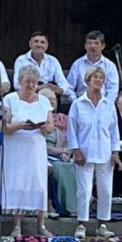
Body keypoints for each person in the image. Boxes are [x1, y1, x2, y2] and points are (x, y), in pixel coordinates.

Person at [0, 64, 54, 236]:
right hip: (16, 147)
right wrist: (21, 125)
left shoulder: (43, 101)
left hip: (36, 147)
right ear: (20, 82)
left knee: (39, 183)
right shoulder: (10, 99)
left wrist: (42, 127)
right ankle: (17, 225)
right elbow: (3, 126)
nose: (31, 86)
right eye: (27, 82)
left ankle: (41, 225)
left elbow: (50, 126)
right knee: (18, 182)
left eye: (34, 82)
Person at [67, 66, 122, 239]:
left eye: (101, 77)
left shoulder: (108, 105)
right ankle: (81, 224)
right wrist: (76, 151)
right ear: (88, 80)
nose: (98, 80)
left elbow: (114, 131)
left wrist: (115, 152)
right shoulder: (78, 104)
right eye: (95, 77)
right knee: (84, 190)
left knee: (105, 189)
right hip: (84, 152)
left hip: (105, 153)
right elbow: (72, 129)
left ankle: (102, 224)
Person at [39, 87, 77, 217]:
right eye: (49, 99)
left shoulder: (63, 118)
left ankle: (74, 208)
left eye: (54, 99)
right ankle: (63, 207)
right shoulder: (38, 118)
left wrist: (67, 152)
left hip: (62, 155)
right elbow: (41, 145)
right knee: (60, 168)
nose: (52, 102)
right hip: (43, 155)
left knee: (73, 166)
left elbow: (70, 138)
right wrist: (61, 151)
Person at [66, 31, 119, 101]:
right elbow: (69, 87)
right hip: (82, 102)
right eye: (90, 43)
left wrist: (107, 105)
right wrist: (75, 102)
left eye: (96, 43)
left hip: (103, 103)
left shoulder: (110, 66)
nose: (93, 46)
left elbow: (113, 90)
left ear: (103, 46)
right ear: (85, 46)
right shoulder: (77, 64)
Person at [13, 31, 69, 97]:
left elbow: (63, 82)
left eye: (42, 42)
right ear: (30, 44)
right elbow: (17, 84)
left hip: (51, 95)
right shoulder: (21, 60)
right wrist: (40, 87)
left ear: (47, 45)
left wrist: (59, 90)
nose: (39, 45)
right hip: (29, 96)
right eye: (36, 41)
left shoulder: (53, 61)